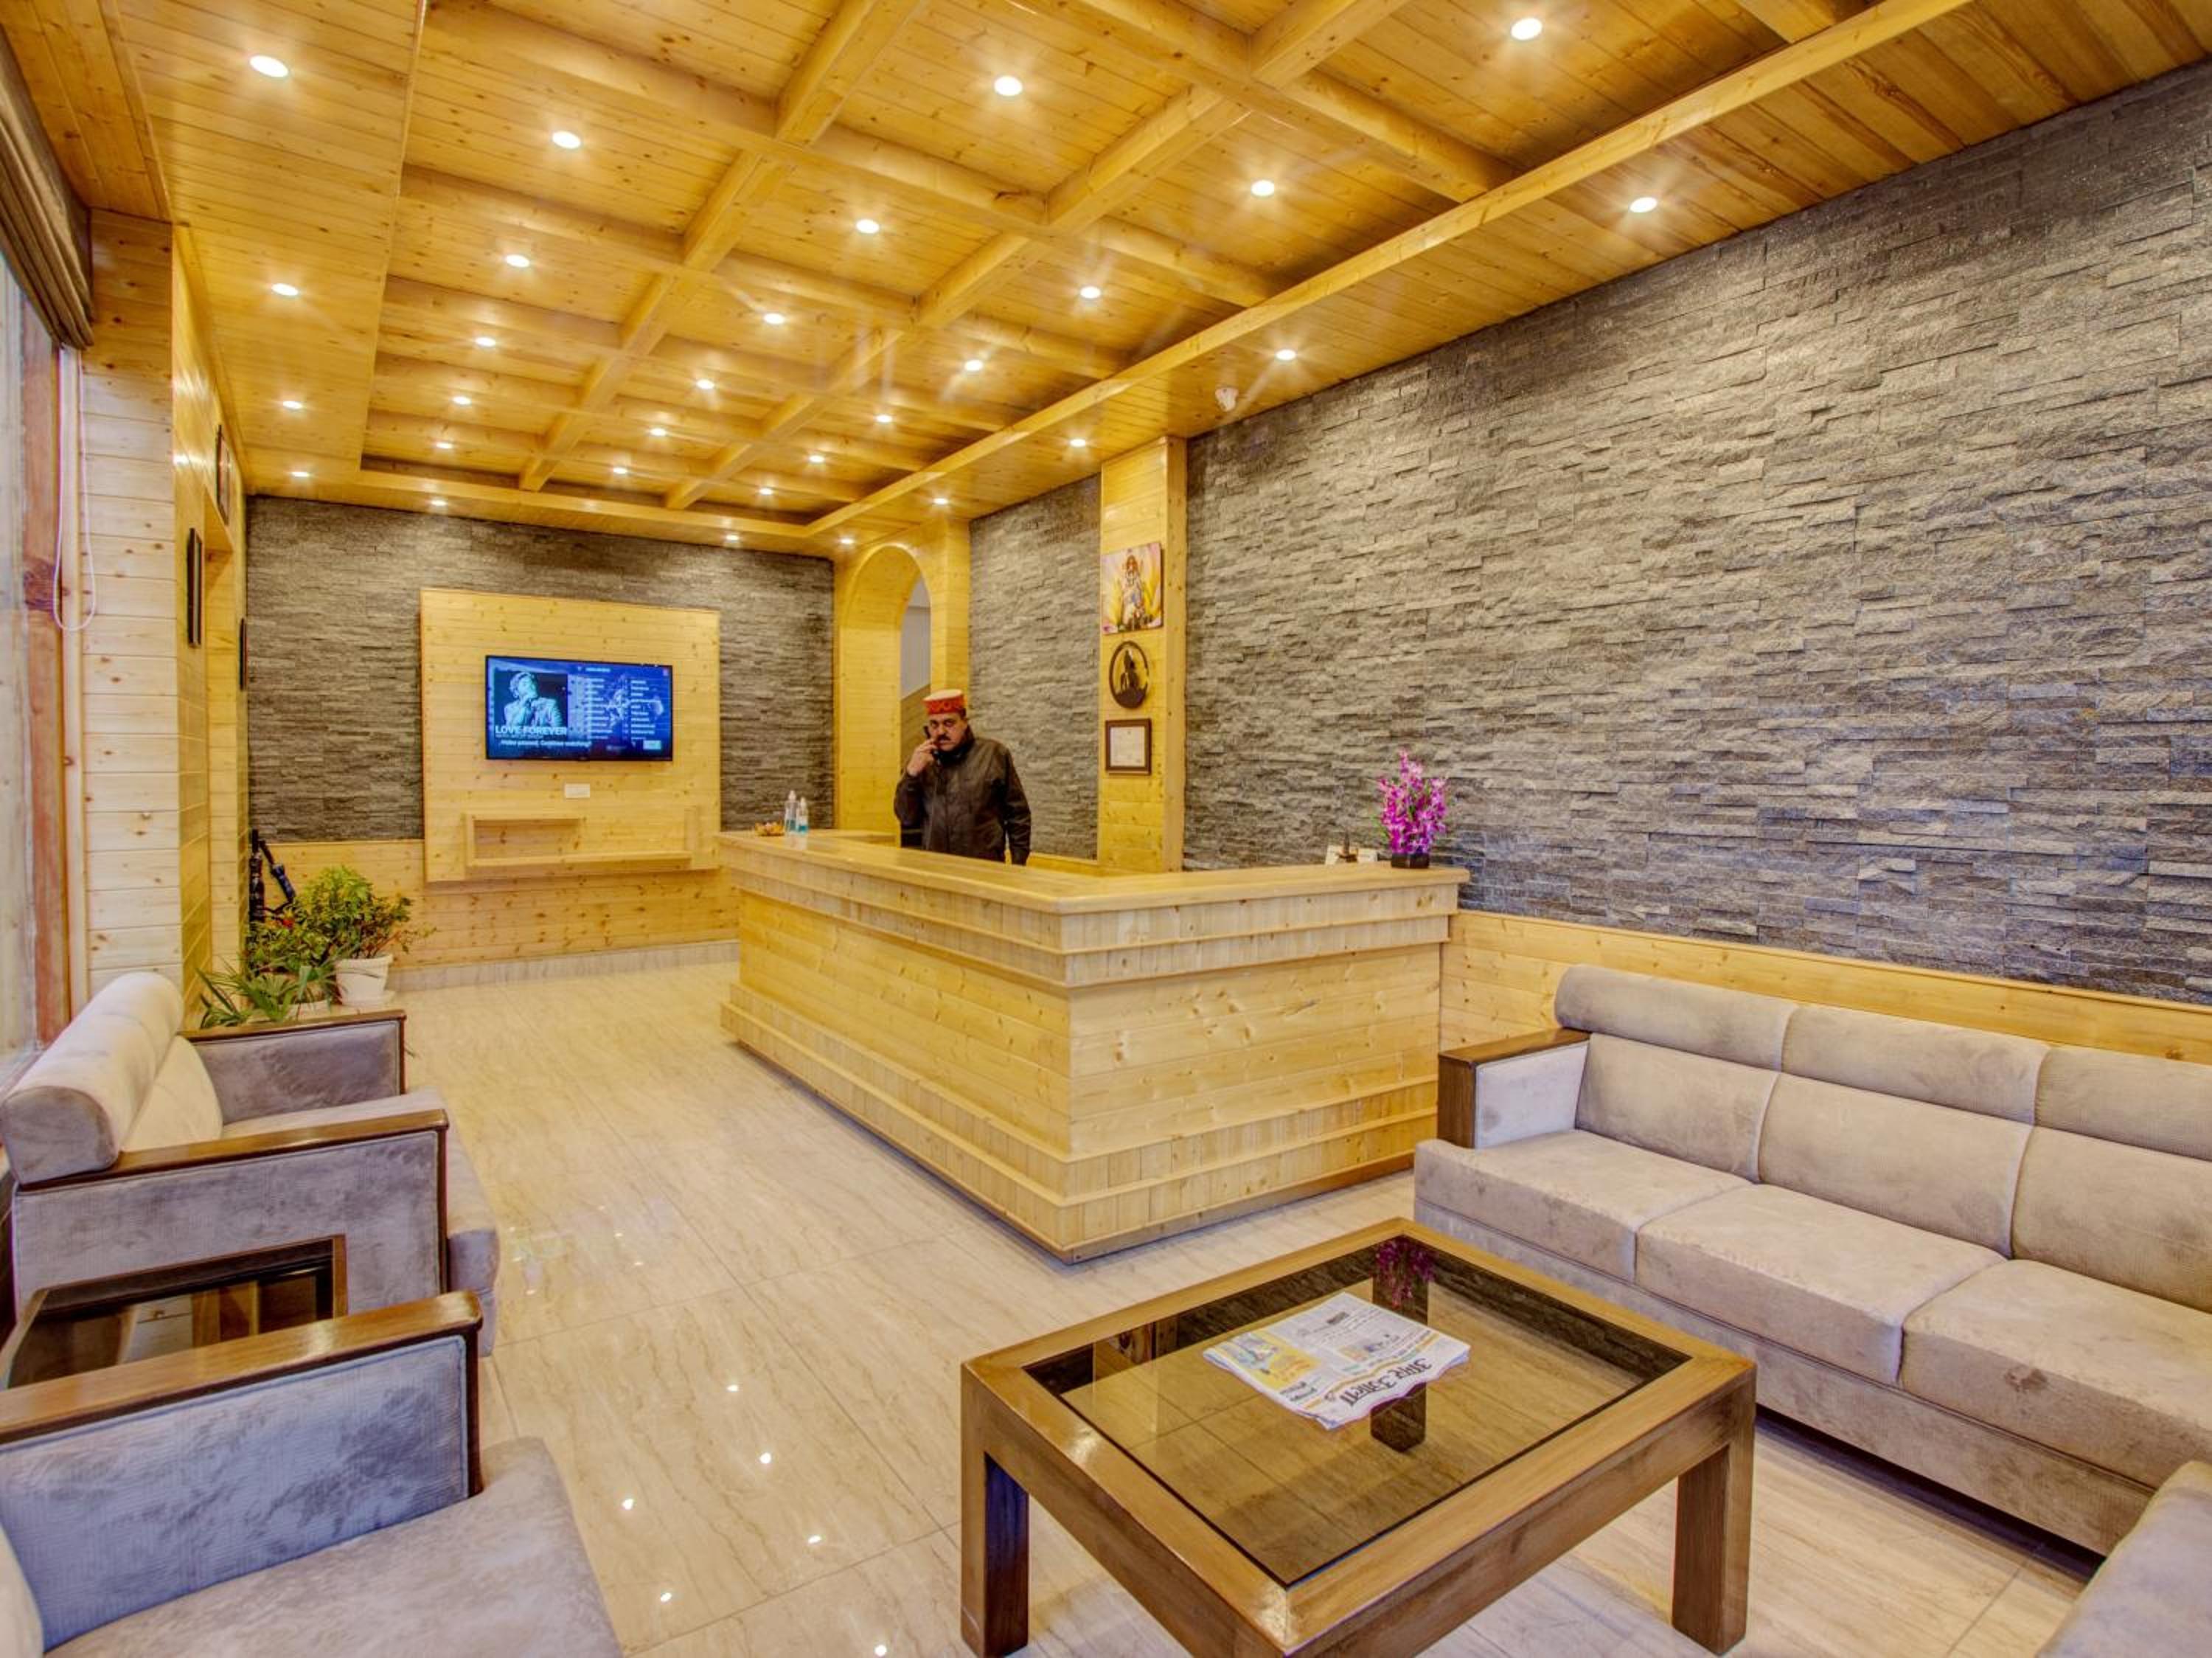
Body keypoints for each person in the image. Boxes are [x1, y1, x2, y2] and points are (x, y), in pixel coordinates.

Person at [894, 689, 1032, 864]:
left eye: (949, 723)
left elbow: (1018, 814)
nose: (941, 731)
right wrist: (911, 775)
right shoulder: (922, 761)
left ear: (964, 723)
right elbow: (906, 817)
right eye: (934, 725)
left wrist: (1018, 863)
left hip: (985, 868)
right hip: (935, 867)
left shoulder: (994, 754)